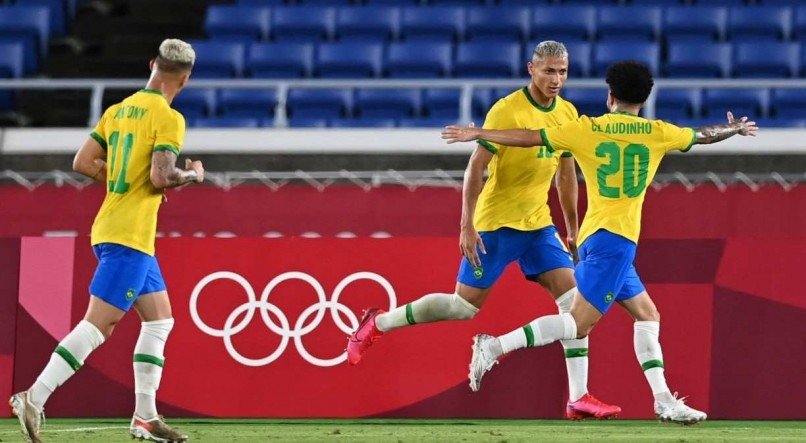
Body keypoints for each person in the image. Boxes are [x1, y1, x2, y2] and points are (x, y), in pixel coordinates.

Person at [442, 60, 758, 424]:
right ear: (645, 99)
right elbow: (702, 134)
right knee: (578, 324)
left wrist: (480, 133)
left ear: (611, 96)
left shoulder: (585, 129)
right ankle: (494, 346)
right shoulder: (659, 132)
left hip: (597, 235)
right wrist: (733, 129)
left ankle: (664, 399)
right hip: (617, 240)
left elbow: (530, 136)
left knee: (647, 314)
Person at [347, 41, 621, 420]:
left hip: (538, 224)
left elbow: (565, 174)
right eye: (549, 71)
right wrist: (467, 224)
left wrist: (572, 229)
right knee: (462, 308)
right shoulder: (508, 109)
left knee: (574, 307)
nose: (556, 79)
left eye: (562, 71)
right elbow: (476, 167)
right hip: (496, 224)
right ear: (531, 69)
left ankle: (578, 398)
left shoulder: (568, 113)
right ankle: (376, 323)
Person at [9, 39, 204, 443]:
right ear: (184, 80)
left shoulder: (117, 111)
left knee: (160, 319)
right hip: (129, 235)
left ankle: (145, 417)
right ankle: (34, 396)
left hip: (120, 230)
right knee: (99, 325)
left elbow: (82, 162)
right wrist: (193, 175)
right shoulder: (168, 117)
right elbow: (161, 177)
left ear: (152, 65)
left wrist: (119, 180)